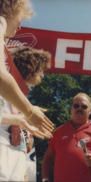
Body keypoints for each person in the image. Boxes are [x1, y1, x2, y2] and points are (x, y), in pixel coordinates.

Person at [0, 0, 54, 135]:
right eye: (21, 18)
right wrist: (29, 111)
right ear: (10, 8)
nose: (20, 27)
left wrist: (19, 120)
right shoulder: (1, 22)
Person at [0, 47, 52, 181]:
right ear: (31, 67)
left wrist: (25, 169)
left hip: (16, 164)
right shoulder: (4, 90)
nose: (42, 75)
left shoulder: (25, 103)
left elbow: (24, 144)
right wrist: (19, 119)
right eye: (41, 70)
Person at [42, 93, 91, 182]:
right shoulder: (59, 132)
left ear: (90, 111)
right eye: (76, 106)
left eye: (84, 107)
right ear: (71, 109)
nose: (79, 109)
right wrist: (45, 179)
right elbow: (48, 158)